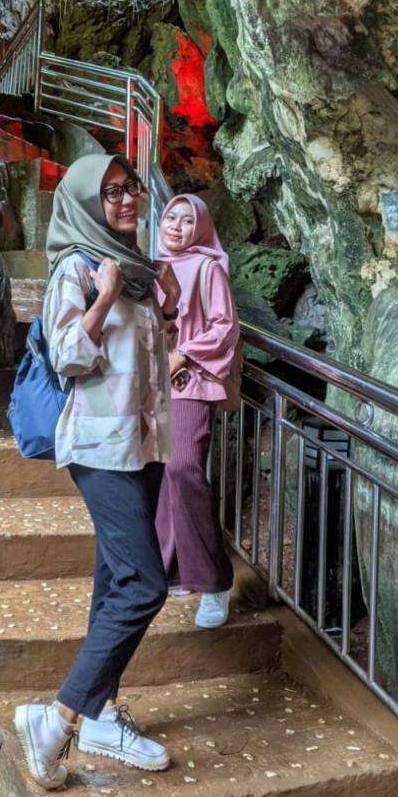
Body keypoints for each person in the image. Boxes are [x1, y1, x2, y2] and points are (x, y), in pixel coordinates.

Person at [14, 154, 181, 791]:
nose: (127, 199)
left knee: (115, 578)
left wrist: (165, 304)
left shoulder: (135, 269)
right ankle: (56, 719)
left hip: (142, 442)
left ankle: (103, 713)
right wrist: (104, 295)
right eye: (110, 192)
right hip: (99, 445)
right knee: (143, 584)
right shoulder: (78, 268)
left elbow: (140, 356)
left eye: (130, 186)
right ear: (86, 202)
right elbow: (67, 356)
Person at [155, 194, 241, 629]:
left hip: (191, 379)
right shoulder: (154, 265)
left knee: (184, 467)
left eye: (187, 220)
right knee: (162, 471)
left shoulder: (209, 268)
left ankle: (214, 581)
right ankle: (173, 569)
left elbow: (225, 327)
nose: (176, 225)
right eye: (171, 216)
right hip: (151, 380)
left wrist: (183, 353)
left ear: (202, 228)